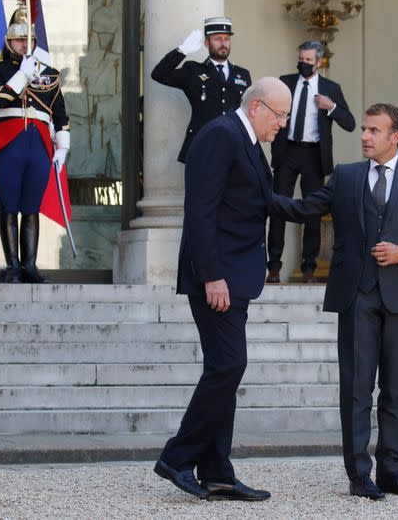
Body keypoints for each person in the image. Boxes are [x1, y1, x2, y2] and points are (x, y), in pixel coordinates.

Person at [270, 103, 398, 499]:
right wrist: (256, 193)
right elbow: (303, 209)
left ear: (395, 136)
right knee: (355, 388)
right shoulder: (346, 176)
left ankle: (391, 470)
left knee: (395, 389)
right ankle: (359, 475)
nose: (365, 136)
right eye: (364, 129)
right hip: (356, 296)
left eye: (373, 130)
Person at [153, 77, 291, 501]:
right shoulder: (220, 135)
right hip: (217, 279)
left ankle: (217, 471)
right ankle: (177, 457)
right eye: (280, 115)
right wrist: (211, 274)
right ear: (256, 108)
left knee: (224, 369)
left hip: (236, 276)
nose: (282, 125)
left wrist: (320, 203)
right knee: (228, 366)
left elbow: (261, 201)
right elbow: (200, 210)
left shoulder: (246, 140)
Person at [0, 0, 69, 284]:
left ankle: (30, 265)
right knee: (10, 205)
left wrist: (63, 146)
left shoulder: (49, 74)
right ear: (9, 42)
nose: (23, 44)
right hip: (9, 142)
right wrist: (22, 75)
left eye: (27, 40)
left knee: (31, 206)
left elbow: (60, 112)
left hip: (39, 144)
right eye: (18, 40)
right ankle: (13, 267)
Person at [266, 40, 355, 283]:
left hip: (314, 155)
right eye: (301, 59)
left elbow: (350, 123)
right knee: (277, 208)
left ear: (319, 62)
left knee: (313, 212)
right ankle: (273, 268)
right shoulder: (285, 82)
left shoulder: (330, 88)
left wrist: (332, 106)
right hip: (287, 152)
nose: (303, 64)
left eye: (308, 60)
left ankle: (309, 269)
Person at [151, 17, 252, 163]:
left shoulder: (242, 74)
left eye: (226, 39)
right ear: (206, 43)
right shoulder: (193, 70)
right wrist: (182, 51)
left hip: (233, 145)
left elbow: (247, 111)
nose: (223, 43)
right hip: (202, 144)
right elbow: (159, 74)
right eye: (217, 39)